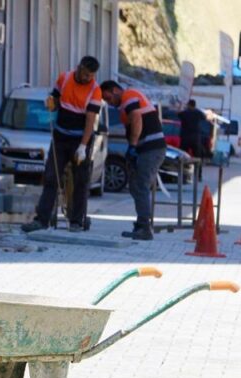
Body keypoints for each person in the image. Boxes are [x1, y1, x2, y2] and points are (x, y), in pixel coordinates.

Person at [22, 56, 102, 233]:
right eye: (86, 74)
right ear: (78, 68)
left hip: (80, 140)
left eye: (91, 75)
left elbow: (90, 121)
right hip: (60, 138)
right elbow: (55, 100)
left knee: (81, 180)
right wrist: (51, 103)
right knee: (51, 177)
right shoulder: (64, 78)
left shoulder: (95, 90)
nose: (88, 78)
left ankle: (76, 221)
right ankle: (42, 220)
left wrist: (83, 146)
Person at [99, 81, 167, 240]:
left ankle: (144, 227)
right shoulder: (125, 106)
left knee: (141, 186)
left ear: (115, 90)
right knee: (136, 186)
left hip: (151, 148)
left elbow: (137, 118)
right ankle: (141, 223)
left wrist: (133, 145)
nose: (109, 102)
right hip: (146, 149)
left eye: (108, 97)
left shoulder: (129, 96)